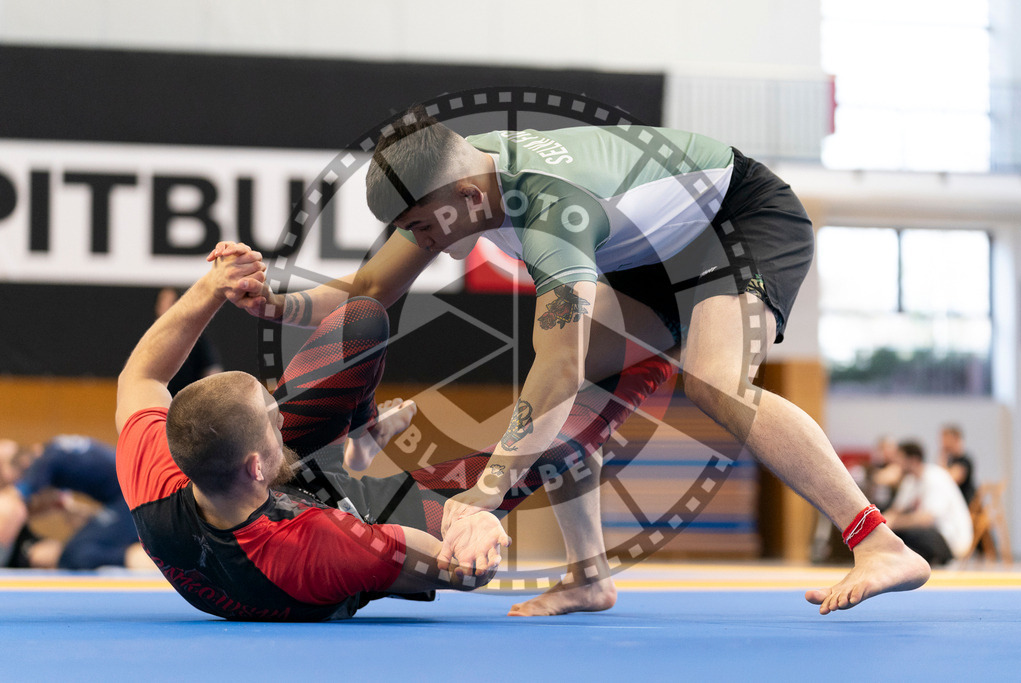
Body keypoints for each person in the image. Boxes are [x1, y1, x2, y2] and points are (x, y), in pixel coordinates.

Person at [210, 108, 930, 616]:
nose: (417, 242)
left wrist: (486, 491)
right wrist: (270, 299)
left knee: (709, 381)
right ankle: (591, 577)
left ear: (465, 198)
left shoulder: (548, 212)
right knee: (572, 387)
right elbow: (369, 291)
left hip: (735, 221)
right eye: (407, 230)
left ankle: (880, 540)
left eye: (422, 228)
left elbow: (555, 367)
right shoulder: (459, 178)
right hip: (651, 246)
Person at [116, 246, 674, 621]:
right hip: (357, 517)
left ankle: (359, 439)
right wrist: (476, 523)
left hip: (279, 494)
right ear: (256, 466)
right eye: (271, 416)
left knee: (362, 320)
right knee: (551, 444)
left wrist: (212, 286)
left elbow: (142, 375)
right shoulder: (321, 547)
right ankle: (671, 335)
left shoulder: (160, 475)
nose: (281, 413)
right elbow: (460, 571)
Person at [0, 436, 151, 570]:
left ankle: (138, 557)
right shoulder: (56, 452)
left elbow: (11, 505)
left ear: (23, 463)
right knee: (80, 546)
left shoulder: (41, 463)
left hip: (133, 498)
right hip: (134, 494)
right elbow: (71, 509)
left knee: (74, 554)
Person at [884, 440, 973, 566]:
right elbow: (895, 510)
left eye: (900, 459)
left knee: (910, 532)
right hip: (931, 534)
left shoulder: (936, 477)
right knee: (891, 530)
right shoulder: (910, 481)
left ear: (913, 460)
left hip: (950, 540)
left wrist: (893, 523)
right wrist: (879, 524)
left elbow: (926, 519)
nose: (897, 464)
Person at [155, 287, 224, 396]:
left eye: (167, 303)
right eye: (161, 303)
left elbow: (213, 373)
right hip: (161, 404)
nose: (162, 308)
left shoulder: (195, 338)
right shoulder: (154, 340)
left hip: (187, 405)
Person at [938, 424, 976, 506]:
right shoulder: (950, 461)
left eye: (946, 439)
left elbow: (949, 480)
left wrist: (943, 456)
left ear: (955, 439)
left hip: (964, 504)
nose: (943, 443)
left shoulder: (964, 461)